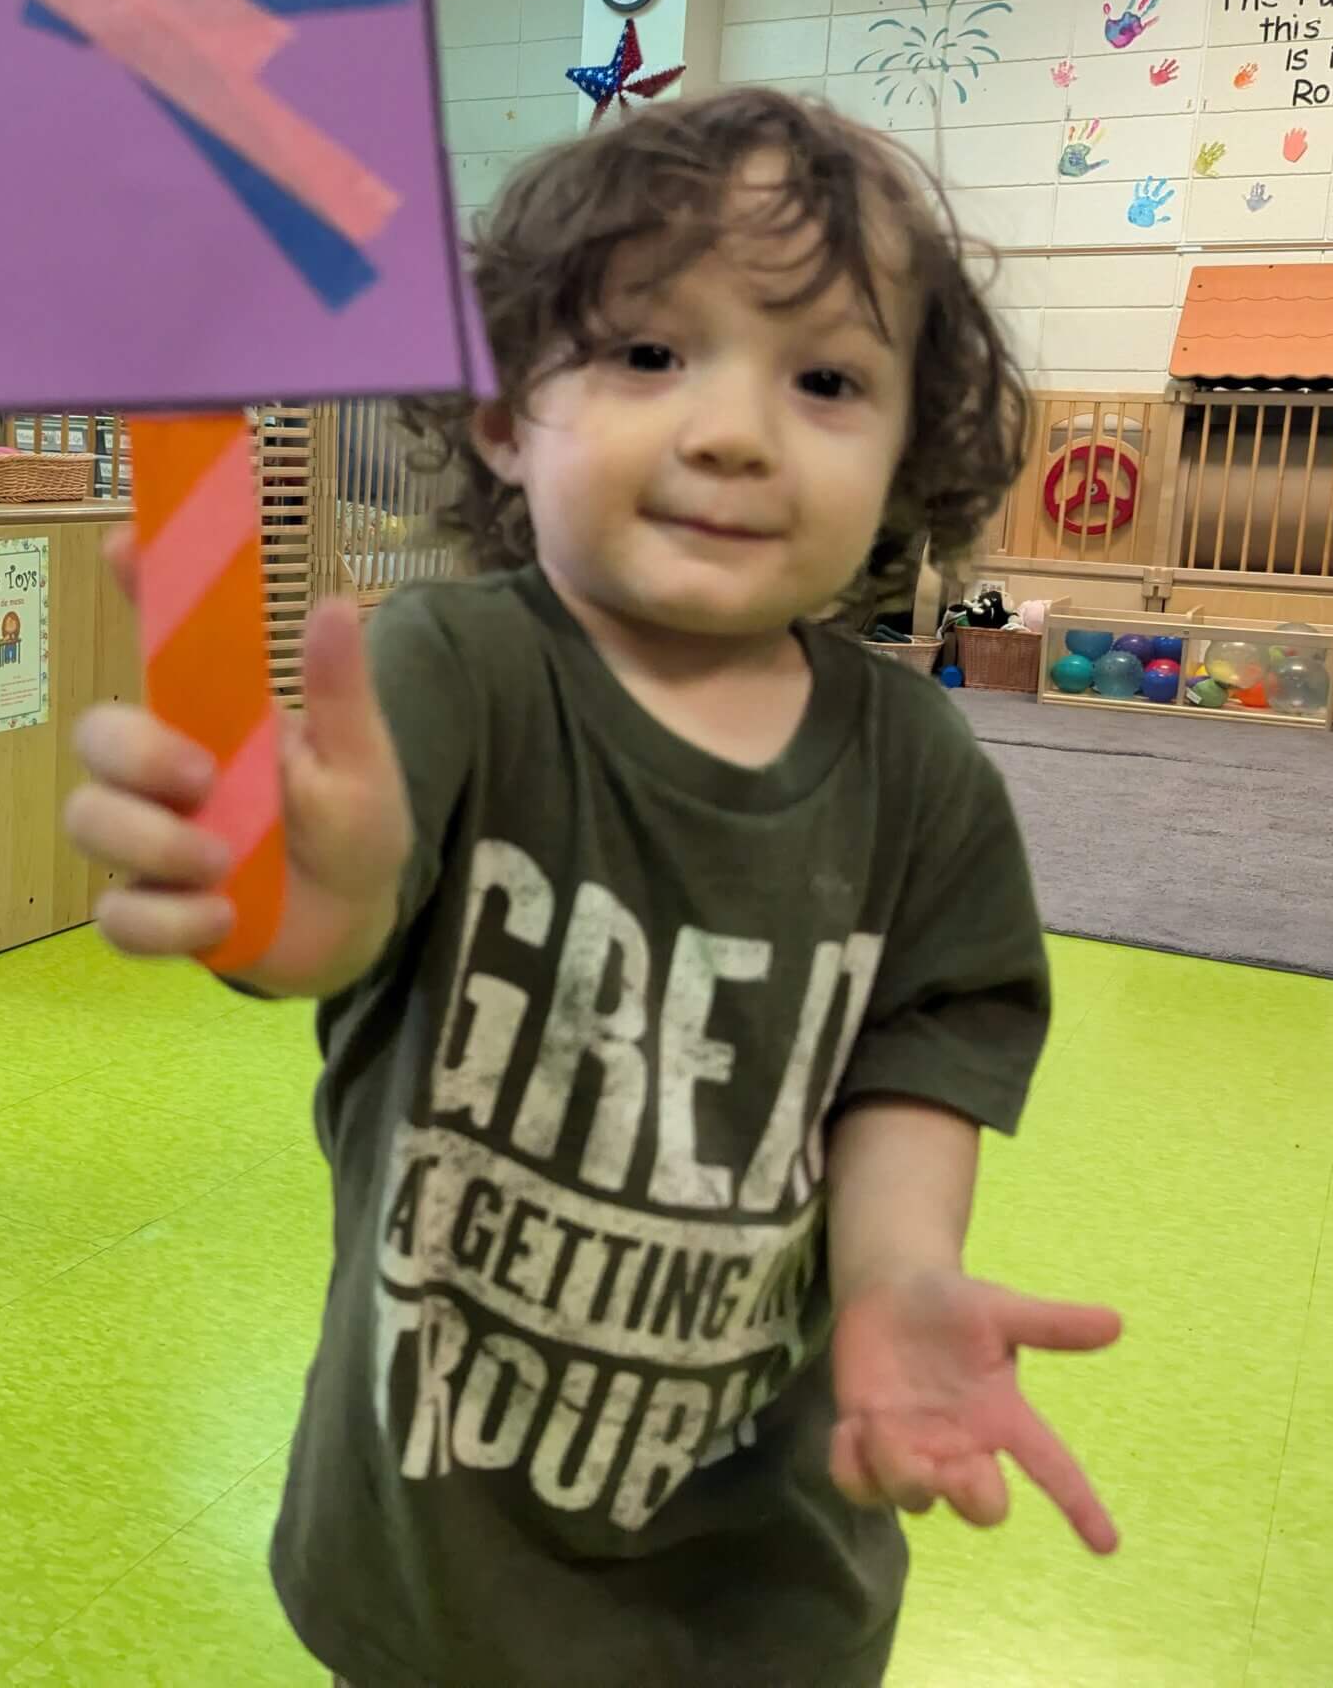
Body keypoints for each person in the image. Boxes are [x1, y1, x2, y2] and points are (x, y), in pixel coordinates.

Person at [62, 90, 1121, 1686]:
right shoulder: (458, 670)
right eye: (647, 354)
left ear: (909, 454)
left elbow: (922, 1049)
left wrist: (901, 1279)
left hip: (764, 1565)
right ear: (503, 414)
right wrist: (304, 901)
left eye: (827, 378)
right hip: (438, 1545)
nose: (732, 429)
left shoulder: (920, 772)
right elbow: (330, 927)